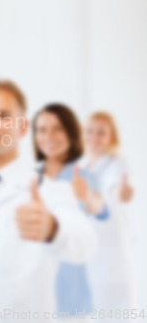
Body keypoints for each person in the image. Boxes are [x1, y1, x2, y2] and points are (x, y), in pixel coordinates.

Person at [0, 80, 97, 323]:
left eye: (3, 116)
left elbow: (85, 242)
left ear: (23, 127)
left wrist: (52, 229)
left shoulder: (49, 189)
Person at [33, 103, 108, 323]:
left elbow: (101, 209)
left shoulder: (82, 176)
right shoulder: (30, 178)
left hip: (70, 297)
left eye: (58, 128)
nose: (50, 136)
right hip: (33, 292)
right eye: (43, 129)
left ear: (71, 133)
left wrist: (88, 199)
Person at [80, 111, 137, 320]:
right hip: (91, 254)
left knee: (114, 313)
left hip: (113, 255)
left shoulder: (117, 163)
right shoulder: (83, 166)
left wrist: (121, 193)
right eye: (90, 131)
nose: (94, 137)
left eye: (101, 133)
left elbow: (115, 189)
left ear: (112, 137)